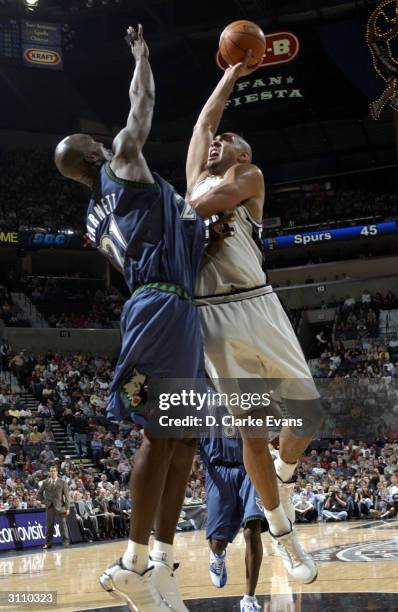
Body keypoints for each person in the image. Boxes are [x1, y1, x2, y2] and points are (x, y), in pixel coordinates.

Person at [54, 25, 207, 611]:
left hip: (173, 307)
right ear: (95, 152)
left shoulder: (93, 217)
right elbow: (140, 106)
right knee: (158, 433)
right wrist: (142, 58)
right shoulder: (121, 160)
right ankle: (135, 559)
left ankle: (161, 561)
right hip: (159, 305)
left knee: (185, 439)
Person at [185, 51, 324, 584]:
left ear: (244, 152)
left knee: (306, 417)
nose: (219, 141)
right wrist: (229, 74)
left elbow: (200, 206)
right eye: (219, 141)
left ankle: (285, 474)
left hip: (258, 302)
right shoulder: (199, 174)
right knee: (251, 433)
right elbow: (203, 122)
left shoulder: (248, 178)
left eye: (229, 140)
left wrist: (167, 214)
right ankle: (283, 535)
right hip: (212, 320)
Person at [199, 426, 267, 612]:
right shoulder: (201, 399)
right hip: (217, 470)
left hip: (251, 466)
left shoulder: (252, 397)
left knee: (252, 529)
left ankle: (249, 598)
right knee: (217, 542)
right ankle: (217, 555)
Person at [37, 465, 70, 549]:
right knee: (49, 526)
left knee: (63, 525)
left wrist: (67, 508)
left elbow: (67, 497)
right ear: (49, 472)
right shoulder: (45, 482)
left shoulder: (63, 482)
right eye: (51, 471)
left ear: (57, 472)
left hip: (60, 507)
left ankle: (66, 542)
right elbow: (39, 494)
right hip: (50, 507)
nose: (53, 472)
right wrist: (45, 502)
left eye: (54, 471)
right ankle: (48, 543)